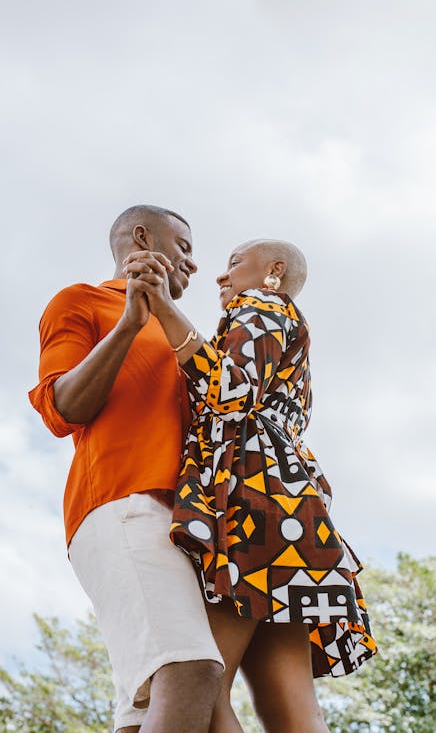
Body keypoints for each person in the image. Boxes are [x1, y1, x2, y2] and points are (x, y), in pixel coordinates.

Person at [124, 239, 377, 733]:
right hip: (290, 514)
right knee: (291, 705)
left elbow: (231, 390)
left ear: (274, 272)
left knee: (202, 680)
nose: (222, 277)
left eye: (234, 264)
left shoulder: (259, 306)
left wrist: (165, 309)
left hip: (255, 501)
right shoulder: (291, 330)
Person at [29, 204, 224, 733]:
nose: (194, 264)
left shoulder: (182, 334)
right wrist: (129, 324)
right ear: (142, 237)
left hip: (187, 527)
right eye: (184, 247)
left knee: (144, 713)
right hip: (124, 506)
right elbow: (63, 407)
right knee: (191, 668)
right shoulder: (82, 301)